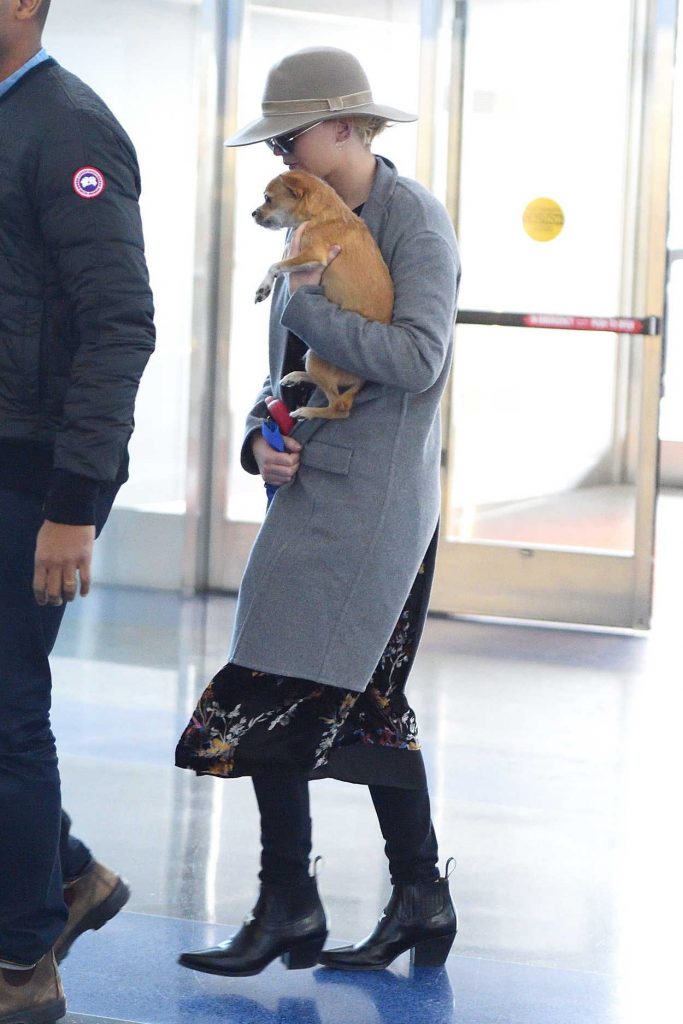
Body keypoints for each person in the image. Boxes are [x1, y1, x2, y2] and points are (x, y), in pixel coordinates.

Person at [176, 45, 460, 976]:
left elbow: (419, 360)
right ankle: (404, 898)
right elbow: (282, 376)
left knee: (283, 686)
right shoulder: (307, 220)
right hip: (312, 495)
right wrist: (261, 436)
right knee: (359, 702)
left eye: (291, 136)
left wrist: (308, 313)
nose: (281, 157)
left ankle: (291, 905)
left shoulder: (412, 219)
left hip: (378, 508)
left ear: (346, 126)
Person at [0, 1, 155, 1021]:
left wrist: (74, 506)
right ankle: (71, 875)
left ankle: (23, 959)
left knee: (7, 708)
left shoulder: (69, 127)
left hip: (32, 474)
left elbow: (119, 323)